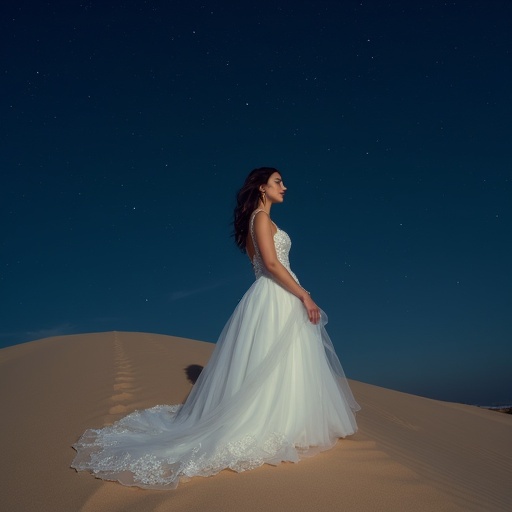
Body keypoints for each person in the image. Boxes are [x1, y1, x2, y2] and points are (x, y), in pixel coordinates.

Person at [71, 167, 360, 489]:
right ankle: (278, 425)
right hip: (277, 295)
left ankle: (292, 421)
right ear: (262, 188)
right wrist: (305, 295)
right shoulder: (261, 220)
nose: (285, 187)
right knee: (273, 359)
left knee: (277, 360)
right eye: (278, 182)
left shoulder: (255, 222)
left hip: (274, 295)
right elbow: (272, 264)